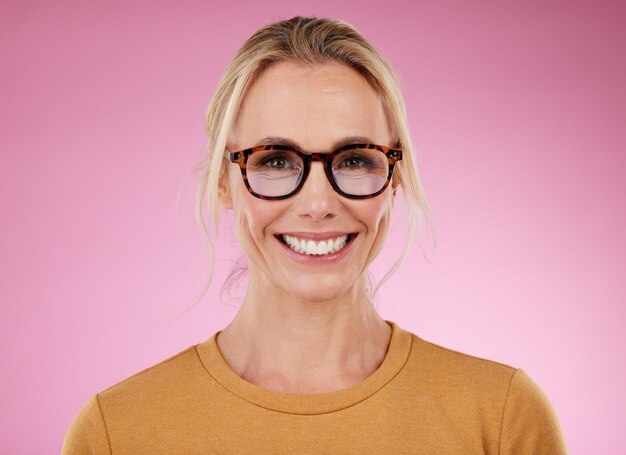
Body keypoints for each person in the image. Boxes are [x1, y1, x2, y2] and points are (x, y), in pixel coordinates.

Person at [62, 16, 567, 454]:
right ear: (223, 180)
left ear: (395, 178)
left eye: (354, 160)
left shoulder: (503, 418)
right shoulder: (117, 431)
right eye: (276, 161)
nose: (320, 205)